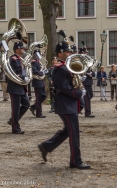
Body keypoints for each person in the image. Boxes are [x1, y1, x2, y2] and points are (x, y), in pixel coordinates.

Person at [38, 37, 90, 170]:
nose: (70, 54)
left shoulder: (65, 67)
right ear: (60, 53)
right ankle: (75, 161)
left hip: (69, 104)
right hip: (65, 104)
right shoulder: (60, 68)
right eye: (67, 52)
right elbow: (65, 88)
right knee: (74, 133)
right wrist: (79, 93)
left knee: (68, 131)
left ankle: (46, 146)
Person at [6, 41, 30, 134]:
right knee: (15, 108)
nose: (23, 50)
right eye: (22, 48)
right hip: (15, 86)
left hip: (20, 86)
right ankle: (15, 128)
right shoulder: (13, 59)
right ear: (17, 49)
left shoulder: (20, 59)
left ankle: (13, 120)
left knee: (26, 104)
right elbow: (14, 73)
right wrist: (23, 77)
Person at [79, 41, 95, 117]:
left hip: (89, 81)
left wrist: (92, 74)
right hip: (84, 81)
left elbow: (92, 71)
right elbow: (80, 71)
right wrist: (87, 74)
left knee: (90, 95)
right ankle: (87, 112)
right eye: (85, 52)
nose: (87, 54)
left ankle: (82, 108)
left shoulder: (88, 61)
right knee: (87, 97)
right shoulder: (80, 62)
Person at [29, 49, 47, 118]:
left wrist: (44, 71)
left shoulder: (38, 62)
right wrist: (42, 72)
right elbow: (35, 71)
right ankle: (38, 113)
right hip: (37, 81)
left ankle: (33, 107)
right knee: (39, 98)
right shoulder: (34, 62)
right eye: (38, 54)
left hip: (40, 81)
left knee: (44, 96)